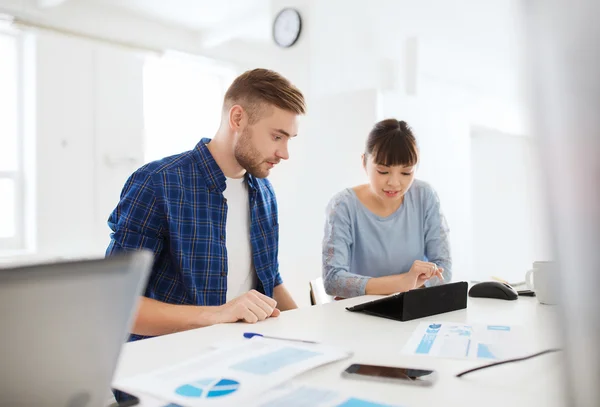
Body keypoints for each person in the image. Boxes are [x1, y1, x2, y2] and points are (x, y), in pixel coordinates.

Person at [107, 68, 306, 341]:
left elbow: (270, 281)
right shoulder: (157, 183)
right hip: (166, 366)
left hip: (240, 356)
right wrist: (217, 315)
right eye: (276, 137)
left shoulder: (264, 192)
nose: (284, 153)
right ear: (238, 118)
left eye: (288, 140)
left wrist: (310, 333)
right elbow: (117, 305)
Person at [322, 119, 451, 299]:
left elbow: (444, 268)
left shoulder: (424, 196)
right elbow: (333, 280)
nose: (394, 183)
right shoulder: (343, 206)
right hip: (361, 313)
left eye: (406, 172)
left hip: (412, 309)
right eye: (383, 171)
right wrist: (403, 283)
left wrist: (406, 286)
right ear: (364, 162)